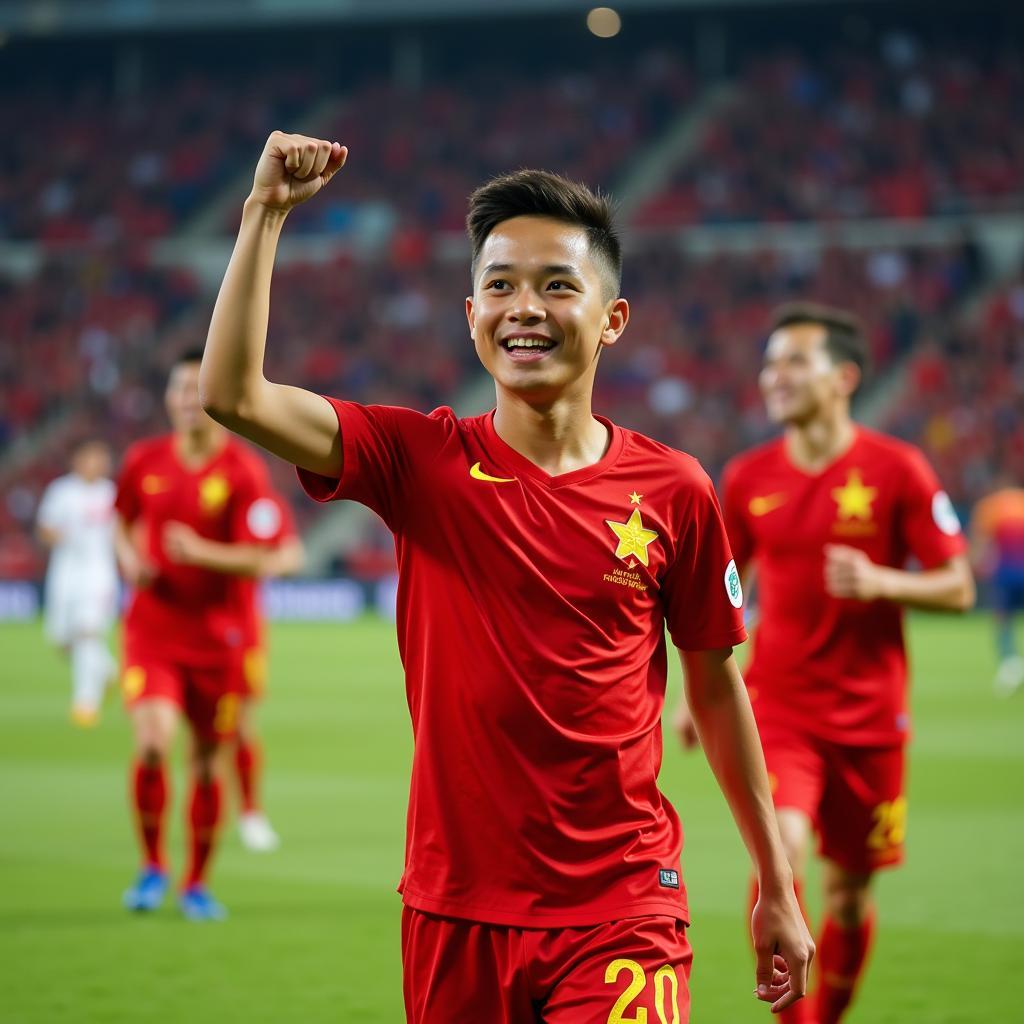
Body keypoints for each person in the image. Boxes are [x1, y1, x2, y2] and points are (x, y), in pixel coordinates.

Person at [200, 130, 812, 1021]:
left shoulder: (675, 490)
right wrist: (264, 213)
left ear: (612, 319)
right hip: (455, 908)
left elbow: (717, 691)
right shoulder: (421, 460)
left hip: (625, 905)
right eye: (501, 286)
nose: (524, 306)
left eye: (558, 284)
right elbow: (234, 395)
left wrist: (776, 878)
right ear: (472, 314)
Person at [675, 303, 974, 1024]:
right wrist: (697, 691)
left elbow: (960, 586)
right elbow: (715, 595)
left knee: (849, 896)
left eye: (793, 362)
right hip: (777, 707)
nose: (772, 375)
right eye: (769, 362)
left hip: (872, 718)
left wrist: (883, 582)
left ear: (843, 377)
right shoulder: (747, 478)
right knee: (779, 855)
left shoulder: (897, 468)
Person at [115, 348, 288, 920]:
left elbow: (262, 557)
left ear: (212, 398)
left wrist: (201, 552)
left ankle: (195, 882)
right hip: (154, 630)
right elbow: (121, 521)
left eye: (198, 390)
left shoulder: (242, 471)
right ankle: (151, 868)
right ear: (168, 399)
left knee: (210, 762)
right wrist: (128, 559)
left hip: (219, 641)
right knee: (152, 742)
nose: (189, 400)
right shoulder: (143, 460)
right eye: (180, 390)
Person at [233, 487, 304, 851]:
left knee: (241, 726)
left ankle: (249, 813)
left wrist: (264, 564)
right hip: (172, 628)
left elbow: (293, 555)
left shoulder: (260, 500)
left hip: (238, 632)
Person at [36, 439, 119, 727]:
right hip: (65, 573)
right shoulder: (61, 491)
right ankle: (108, 671)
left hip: (99, 574)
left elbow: (123, 533)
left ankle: (86, 703)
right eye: (93, 457)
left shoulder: (112, 493)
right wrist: (63, 537)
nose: (98, 462)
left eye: (102, 457)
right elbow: (45, 529)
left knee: (88, 633)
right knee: (61, 639)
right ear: (78, 460)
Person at [969, 477, 1024, 695]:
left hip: (1004, 575)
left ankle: (1010, 663)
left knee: (1002, 620)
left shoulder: (991, 506)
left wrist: (972, 566)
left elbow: (981, 542)